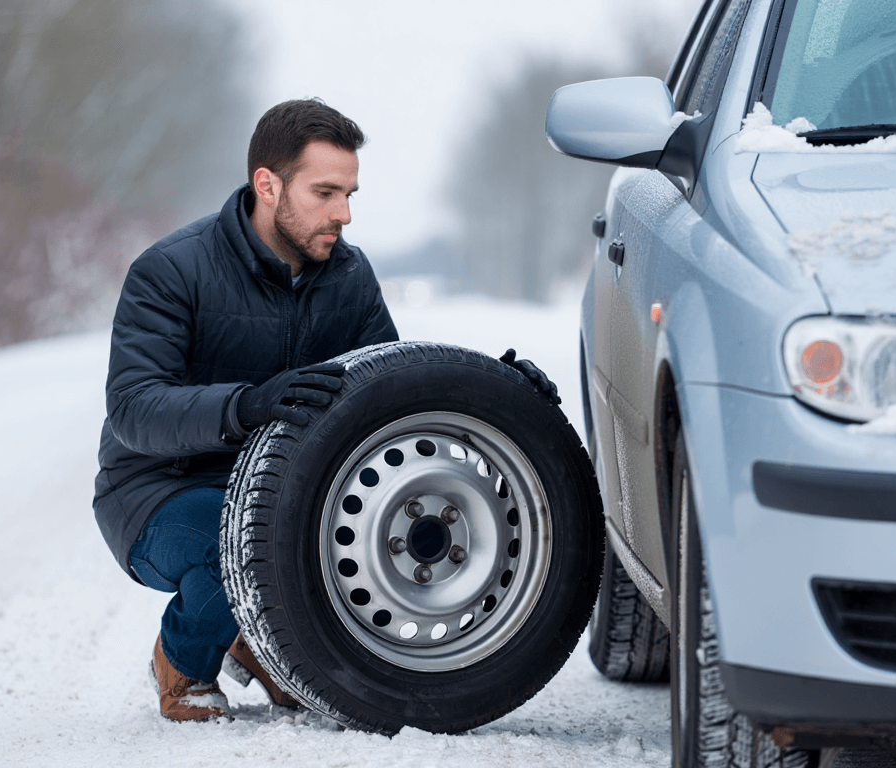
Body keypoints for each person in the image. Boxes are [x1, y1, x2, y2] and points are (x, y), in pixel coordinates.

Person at [92, 99, 558, 723]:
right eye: (325, 192)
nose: (343, 213)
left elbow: (396, 388)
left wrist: (501, 395)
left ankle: (269, 646)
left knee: (322, 540)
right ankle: (182, 665)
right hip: (160, 489)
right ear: (268, 185)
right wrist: (246, 405)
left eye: (350, 193)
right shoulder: (173, 270)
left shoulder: (349, 275)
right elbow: (133, 408)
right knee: (237, 542)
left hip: (286, 483)